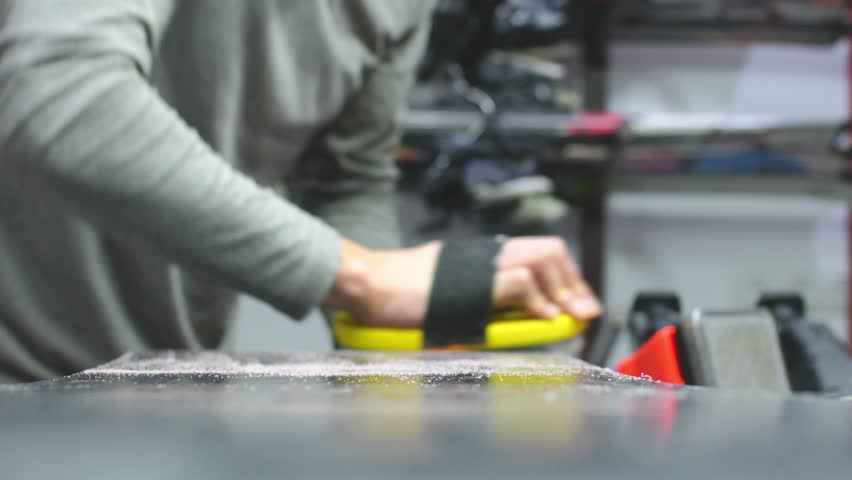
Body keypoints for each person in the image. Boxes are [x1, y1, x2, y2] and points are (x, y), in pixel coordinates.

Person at [0, 0, 602, 383]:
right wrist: (362, 277)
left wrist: (399, 354)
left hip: (163, 378)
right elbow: (60, 89)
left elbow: (346, 178)